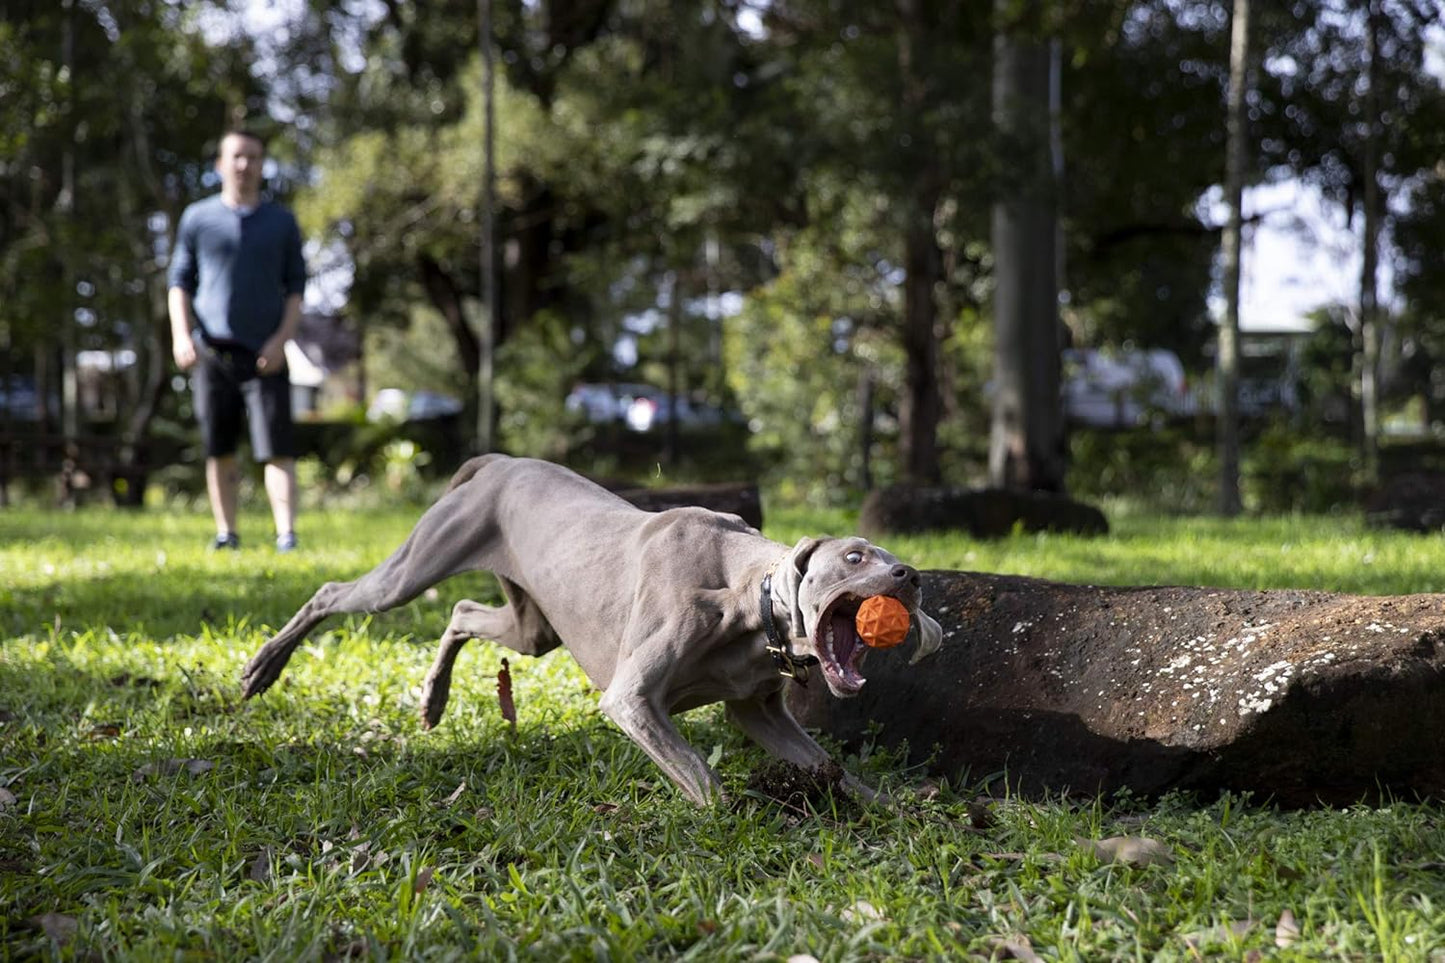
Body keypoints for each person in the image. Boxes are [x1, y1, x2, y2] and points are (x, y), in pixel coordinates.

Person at [168, 129, 307, 552]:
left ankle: (286, 534)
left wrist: (281, 342)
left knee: (276, 448)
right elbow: (179, 283)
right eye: (236, 157)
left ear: (262, 165)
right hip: (213, 351)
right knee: (219, 448)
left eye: (253, 157)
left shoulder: (281, 222)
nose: (244, 165)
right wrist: (181, 335)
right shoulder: (198, 218)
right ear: (220, 164)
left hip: (266, 354)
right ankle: (226, 533)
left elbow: (296, 290)